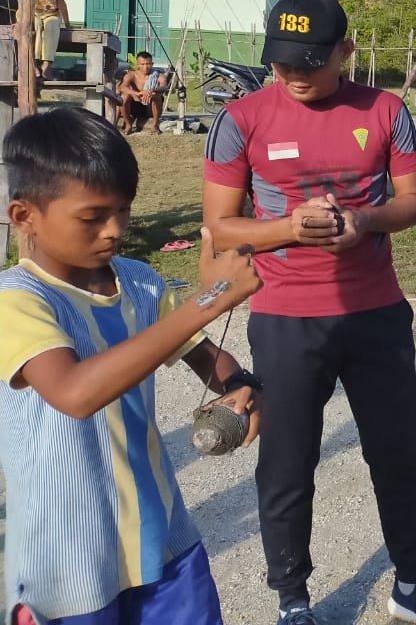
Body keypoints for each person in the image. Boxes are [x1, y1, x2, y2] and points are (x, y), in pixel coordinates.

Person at [202, 0, 416, 625]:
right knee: (288, 462)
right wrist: (290, 229)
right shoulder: (240, 119)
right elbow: (222, 225)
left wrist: (364, 221)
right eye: (282, 62)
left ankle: (411, 581)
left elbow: (414, 202)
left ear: (346, 51)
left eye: (311, 62)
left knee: (396, 452)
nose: (293, 75)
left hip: (375, 312)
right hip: (285, 317)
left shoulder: (386, 111)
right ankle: (293, 601)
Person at [0, 106, 262, 625]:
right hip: (64, 560)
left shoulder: (140, 283)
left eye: (123, 211)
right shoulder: (17, 300)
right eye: (92, 217)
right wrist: (206, 302)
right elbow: (74, 393)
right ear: (24, 216)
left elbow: (203, 355)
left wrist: (239, 384)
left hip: (160, 533)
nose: (114, 230)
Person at [119, 51, 171, 135]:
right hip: (135, 107)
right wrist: (137, 93)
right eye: (142, 64)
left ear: (152, 64)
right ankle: (128, 125)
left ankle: (155, 125)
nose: (145, 67)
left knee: (156, 96)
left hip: (150, 108)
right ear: (138, 65)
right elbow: (123, 87)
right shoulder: (131, 75)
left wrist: (152, 90)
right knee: (124, 96)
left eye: (148, 64)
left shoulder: (159, 75)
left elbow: (164, 87)